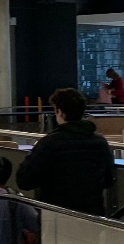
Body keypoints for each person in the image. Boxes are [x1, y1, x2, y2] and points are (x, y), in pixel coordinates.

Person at [16, 87, 115, 216]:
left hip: (56, 216)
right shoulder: (100, 142)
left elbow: (24, 180)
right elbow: (108, 180)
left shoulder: (49, 143)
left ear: (60, 112)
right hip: (93, 216)